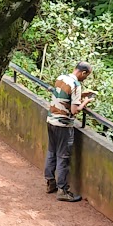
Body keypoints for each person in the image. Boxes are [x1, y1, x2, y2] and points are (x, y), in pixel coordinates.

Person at [44, 61, 94, 202]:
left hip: (51, 120)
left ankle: (49, 182)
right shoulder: (76, 85)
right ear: (83, 73)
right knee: (62, 157)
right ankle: (62, 190)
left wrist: (80, 96)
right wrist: (86, 102)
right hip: (63, 125)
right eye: (87, 75)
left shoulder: (61, 78)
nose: (86, 78)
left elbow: (63, 95)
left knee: (51, 152)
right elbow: (74, 110)